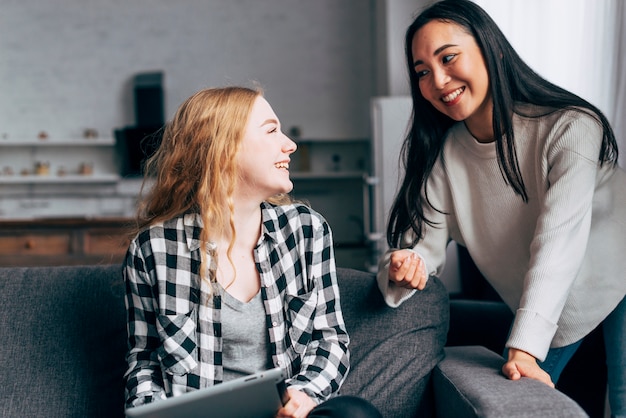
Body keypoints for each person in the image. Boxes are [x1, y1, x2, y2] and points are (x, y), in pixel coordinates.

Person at [377, 0, 626, 416]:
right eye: (422, 71)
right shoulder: (447, 155)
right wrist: (404, 266)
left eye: (448, 57)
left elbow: (556, 244)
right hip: (552, 310)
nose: (437, 80)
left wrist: (523, 346)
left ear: (491, 48)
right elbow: (422, 248)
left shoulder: (571, 125)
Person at [123, 86, 382, 418]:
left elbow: (328, 340)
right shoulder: (152, 249)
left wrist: (302, 396)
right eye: (272, 131)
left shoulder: (306, 230)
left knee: (354, 414)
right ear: (224, 148)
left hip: (285, 416)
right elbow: (143, 360)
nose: (289, 145)